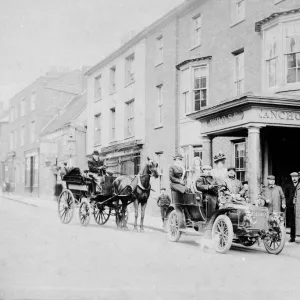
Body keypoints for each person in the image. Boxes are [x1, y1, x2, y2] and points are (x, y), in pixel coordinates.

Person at [169, 153, 191, 226]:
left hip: (181, 184)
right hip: (174, 184)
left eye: (180, 160)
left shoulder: (182, 168)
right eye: (178, 159)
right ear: (175, 160)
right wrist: (179, 181)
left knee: (188, 190)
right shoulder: (172, 167)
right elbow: (171, 177)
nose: (179, 161)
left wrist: (184, 181)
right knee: (184, 189)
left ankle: (188, 206)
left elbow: (184, 178)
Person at [284, 172, 299, 243]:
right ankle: (292, 237)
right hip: (291, 206)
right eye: (293, 177)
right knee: (292, 222)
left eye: (295, 177)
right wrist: (287, 203)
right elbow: (286, 195)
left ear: (298, 177)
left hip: (299, 206)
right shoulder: (288, 186)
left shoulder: (299, 185)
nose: (294, 178)